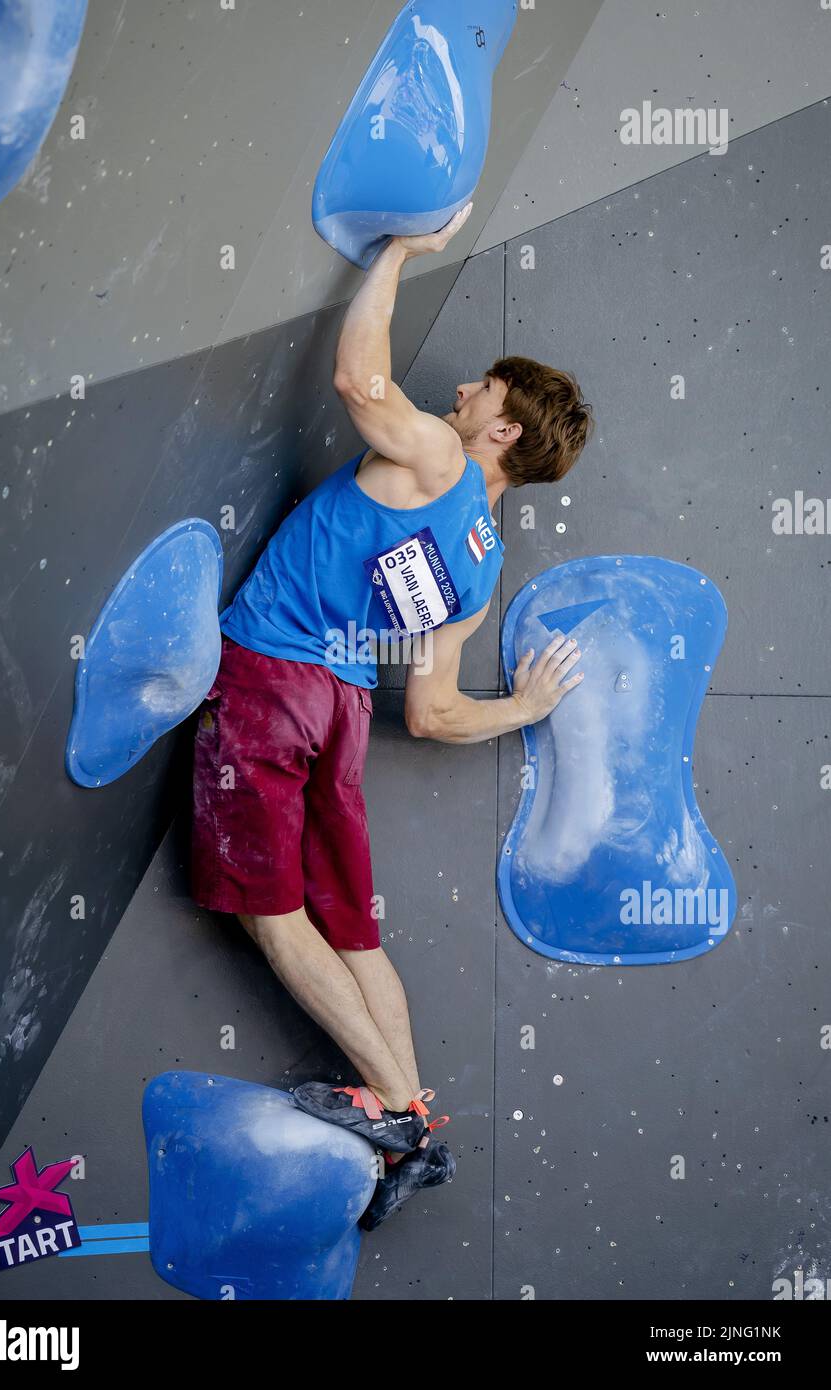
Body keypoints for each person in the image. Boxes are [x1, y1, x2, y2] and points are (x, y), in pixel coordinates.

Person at [190, 205, 593, 1228]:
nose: (460, 388)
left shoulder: (439, 460)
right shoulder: (482, 568)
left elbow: (359, 381)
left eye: (482, 389)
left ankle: (405, 1118)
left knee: (270, 916)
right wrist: (526, 707)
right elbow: (437, 709)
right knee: (352, 935)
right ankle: (413, 1129)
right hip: (341, 712)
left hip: (271, 681)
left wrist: (401, 250)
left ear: (501, 431)